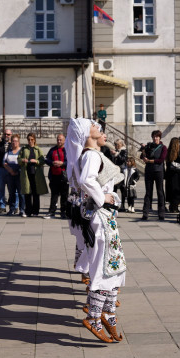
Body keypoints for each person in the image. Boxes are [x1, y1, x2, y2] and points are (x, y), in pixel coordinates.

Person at [67, 118, 126, 343]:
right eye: (92, 124)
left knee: (113, 264)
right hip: (100, 215)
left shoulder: (91, 153)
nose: (97, 126)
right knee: (104, 265)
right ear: (86, 132)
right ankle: (95, 316)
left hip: (103, 216)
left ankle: (108, 313)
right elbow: (86, 180)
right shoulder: (90, 154)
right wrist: (103, 200)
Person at [19, 133, 47, 218]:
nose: (30, 141)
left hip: (36, 174)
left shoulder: (37, 149)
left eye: (32, 139)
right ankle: (28, 211)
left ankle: (36, 211)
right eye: (29, 140)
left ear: (34, 140)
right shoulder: (24, 149)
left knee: (36, 192)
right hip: (27, 174)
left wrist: (36, 161)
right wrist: (23, 160)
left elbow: (42, 160)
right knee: (27, 192)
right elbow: (18, 159)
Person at [45, 133, 69, 219]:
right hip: (54, 175)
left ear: (64, 140)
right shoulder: (52, 150)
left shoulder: (67, 150)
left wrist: (62, 163)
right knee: (54, 195)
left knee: (64, 195)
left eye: (60, 140)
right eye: (58, 139)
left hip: (64, 176)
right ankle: (52, 211)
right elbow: (46, 160)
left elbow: (70, 162)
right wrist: (52, 163)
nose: (59, 141)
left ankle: (63, 212)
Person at [2, 134, 23, 216]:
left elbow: (22, 162)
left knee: (21, 193)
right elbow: (4, 162)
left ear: (19, 142)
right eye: (13, 141)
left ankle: (22, 209)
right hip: (10, 174)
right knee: (11, 193)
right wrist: (10, 170)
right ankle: (12, 209)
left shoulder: (21, 151)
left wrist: (17, 171)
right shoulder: (8, 152)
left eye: (16, 141)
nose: (14, 143)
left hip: (19, 174)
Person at [164, 136, 180, 214]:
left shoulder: (169, 152)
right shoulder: (179, 152)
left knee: (171, 190)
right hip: (177, 175)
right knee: (177, 190)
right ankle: (175, 207)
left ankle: (172, 206)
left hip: (170, 174)